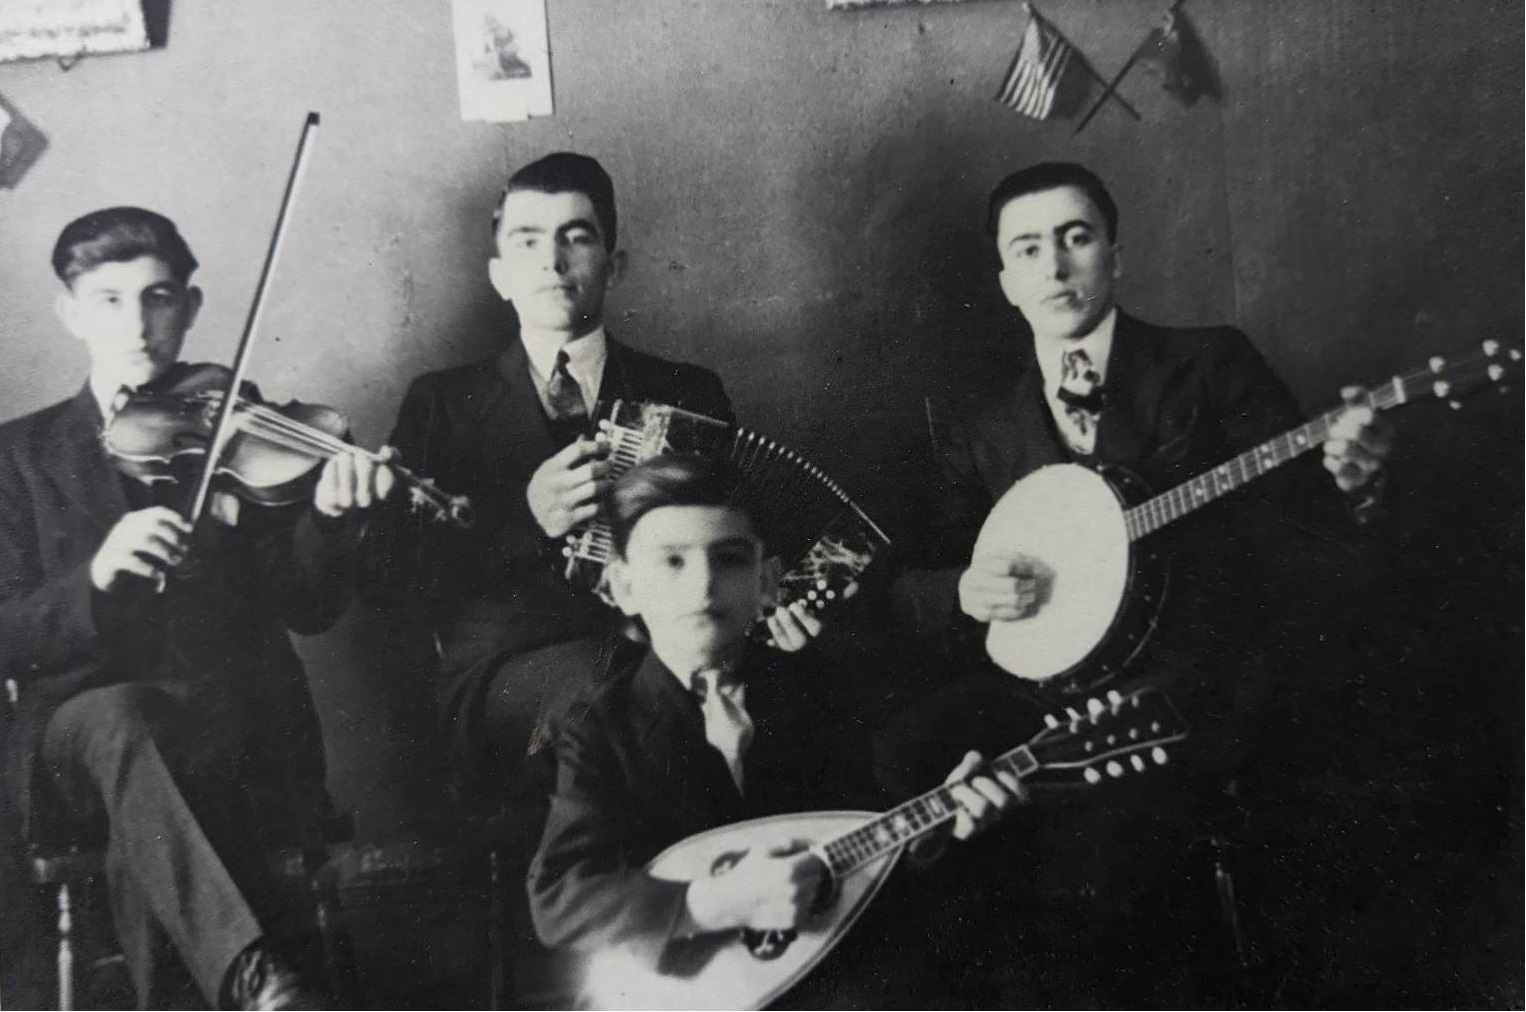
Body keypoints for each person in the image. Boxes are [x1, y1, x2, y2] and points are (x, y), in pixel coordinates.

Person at [880, 162, 1395, 1004]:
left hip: (1203, 675)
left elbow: (1310, 523)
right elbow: (911, 581)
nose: (1055, 267)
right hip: (1051, 691)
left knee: (1114, 848)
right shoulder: (981, 427)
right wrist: (963, 591)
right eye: (1029, 249)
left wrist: (1355, 479)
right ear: (1006, 281)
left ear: (1115, 253)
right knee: (906, 751)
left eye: (1076, 238)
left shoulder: (1210, 363)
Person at [0, 208, 392, 1009]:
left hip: (238, 732)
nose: (138, 325)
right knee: (128, 722)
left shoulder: (242, 429)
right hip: (79, 745)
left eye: (159, 297)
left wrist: (333, 519)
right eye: (109, 300)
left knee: (158, 791)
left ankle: (242, 985)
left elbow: (308, 606)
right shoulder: (15, 455)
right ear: (69, 312)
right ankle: (255, 977)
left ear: (192, 305)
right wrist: (95, 580)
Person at [357, 152, 818, 802]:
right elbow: (385, 579)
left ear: (613, 263)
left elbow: (742, 534)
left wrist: (778, 596)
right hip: (512, 666)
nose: (552, 262)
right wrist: (525, 520)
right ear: (500, 275)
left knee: (803, 682)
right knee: (625, 686)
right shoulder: (443, 403)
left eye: (577, 238)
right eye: (528, 242)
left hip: (677, 637)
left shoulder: (687, 390)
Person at [526, 455, 1021, 1006]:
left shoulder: (813, 689)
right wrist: (711, 902)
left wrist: (935, 832)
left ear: (766, 581)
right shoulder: (598, 724)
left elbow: (855, 834)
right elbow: (560, 896)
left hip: (817, 970)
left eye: (730, 559)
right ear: (623, 586)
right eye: (671, 561)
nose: (704, 584)